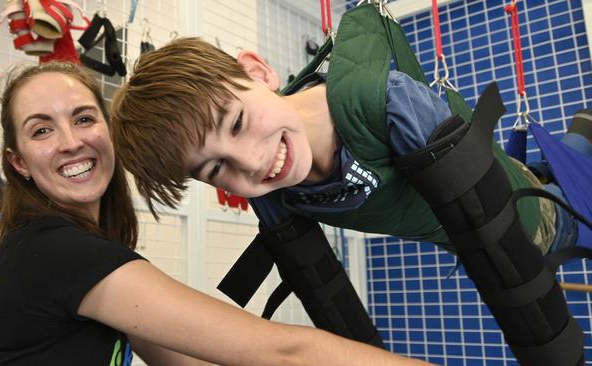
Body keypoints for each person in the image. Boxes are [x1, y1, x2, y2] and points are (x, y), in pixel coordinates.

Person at [109, 8, 590, 365]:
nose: (253, 163)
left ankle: (578, 139)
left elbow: (495, 248)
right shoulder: (272, 191)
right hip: (468, 207)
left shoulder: (386, 106)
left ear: (258, 72)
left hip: (532, 220)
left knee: (566, 200)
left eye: (236, 122)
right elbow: (326, 296)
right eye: (216, 170)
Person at [0, 61, 433, 366]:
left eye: (84, 118)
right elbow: (282, 351)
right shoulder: (59, 254)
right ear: (18, 162)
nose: (71, 141)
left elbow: (184, 359)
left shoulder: (59, 250)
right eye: (42, 130)